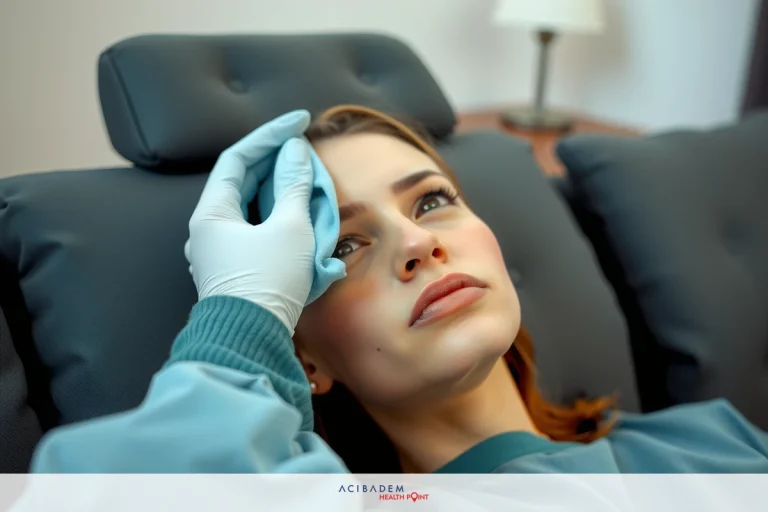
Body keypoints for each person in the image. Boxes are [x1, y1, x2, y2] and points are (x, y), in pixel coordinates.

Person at [28, 106, 768, 474]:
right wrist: (240, 313)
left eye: (432, 201)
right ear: (304, 362)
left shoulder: (711, 441)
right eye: (345, 246)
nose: (417, 244)